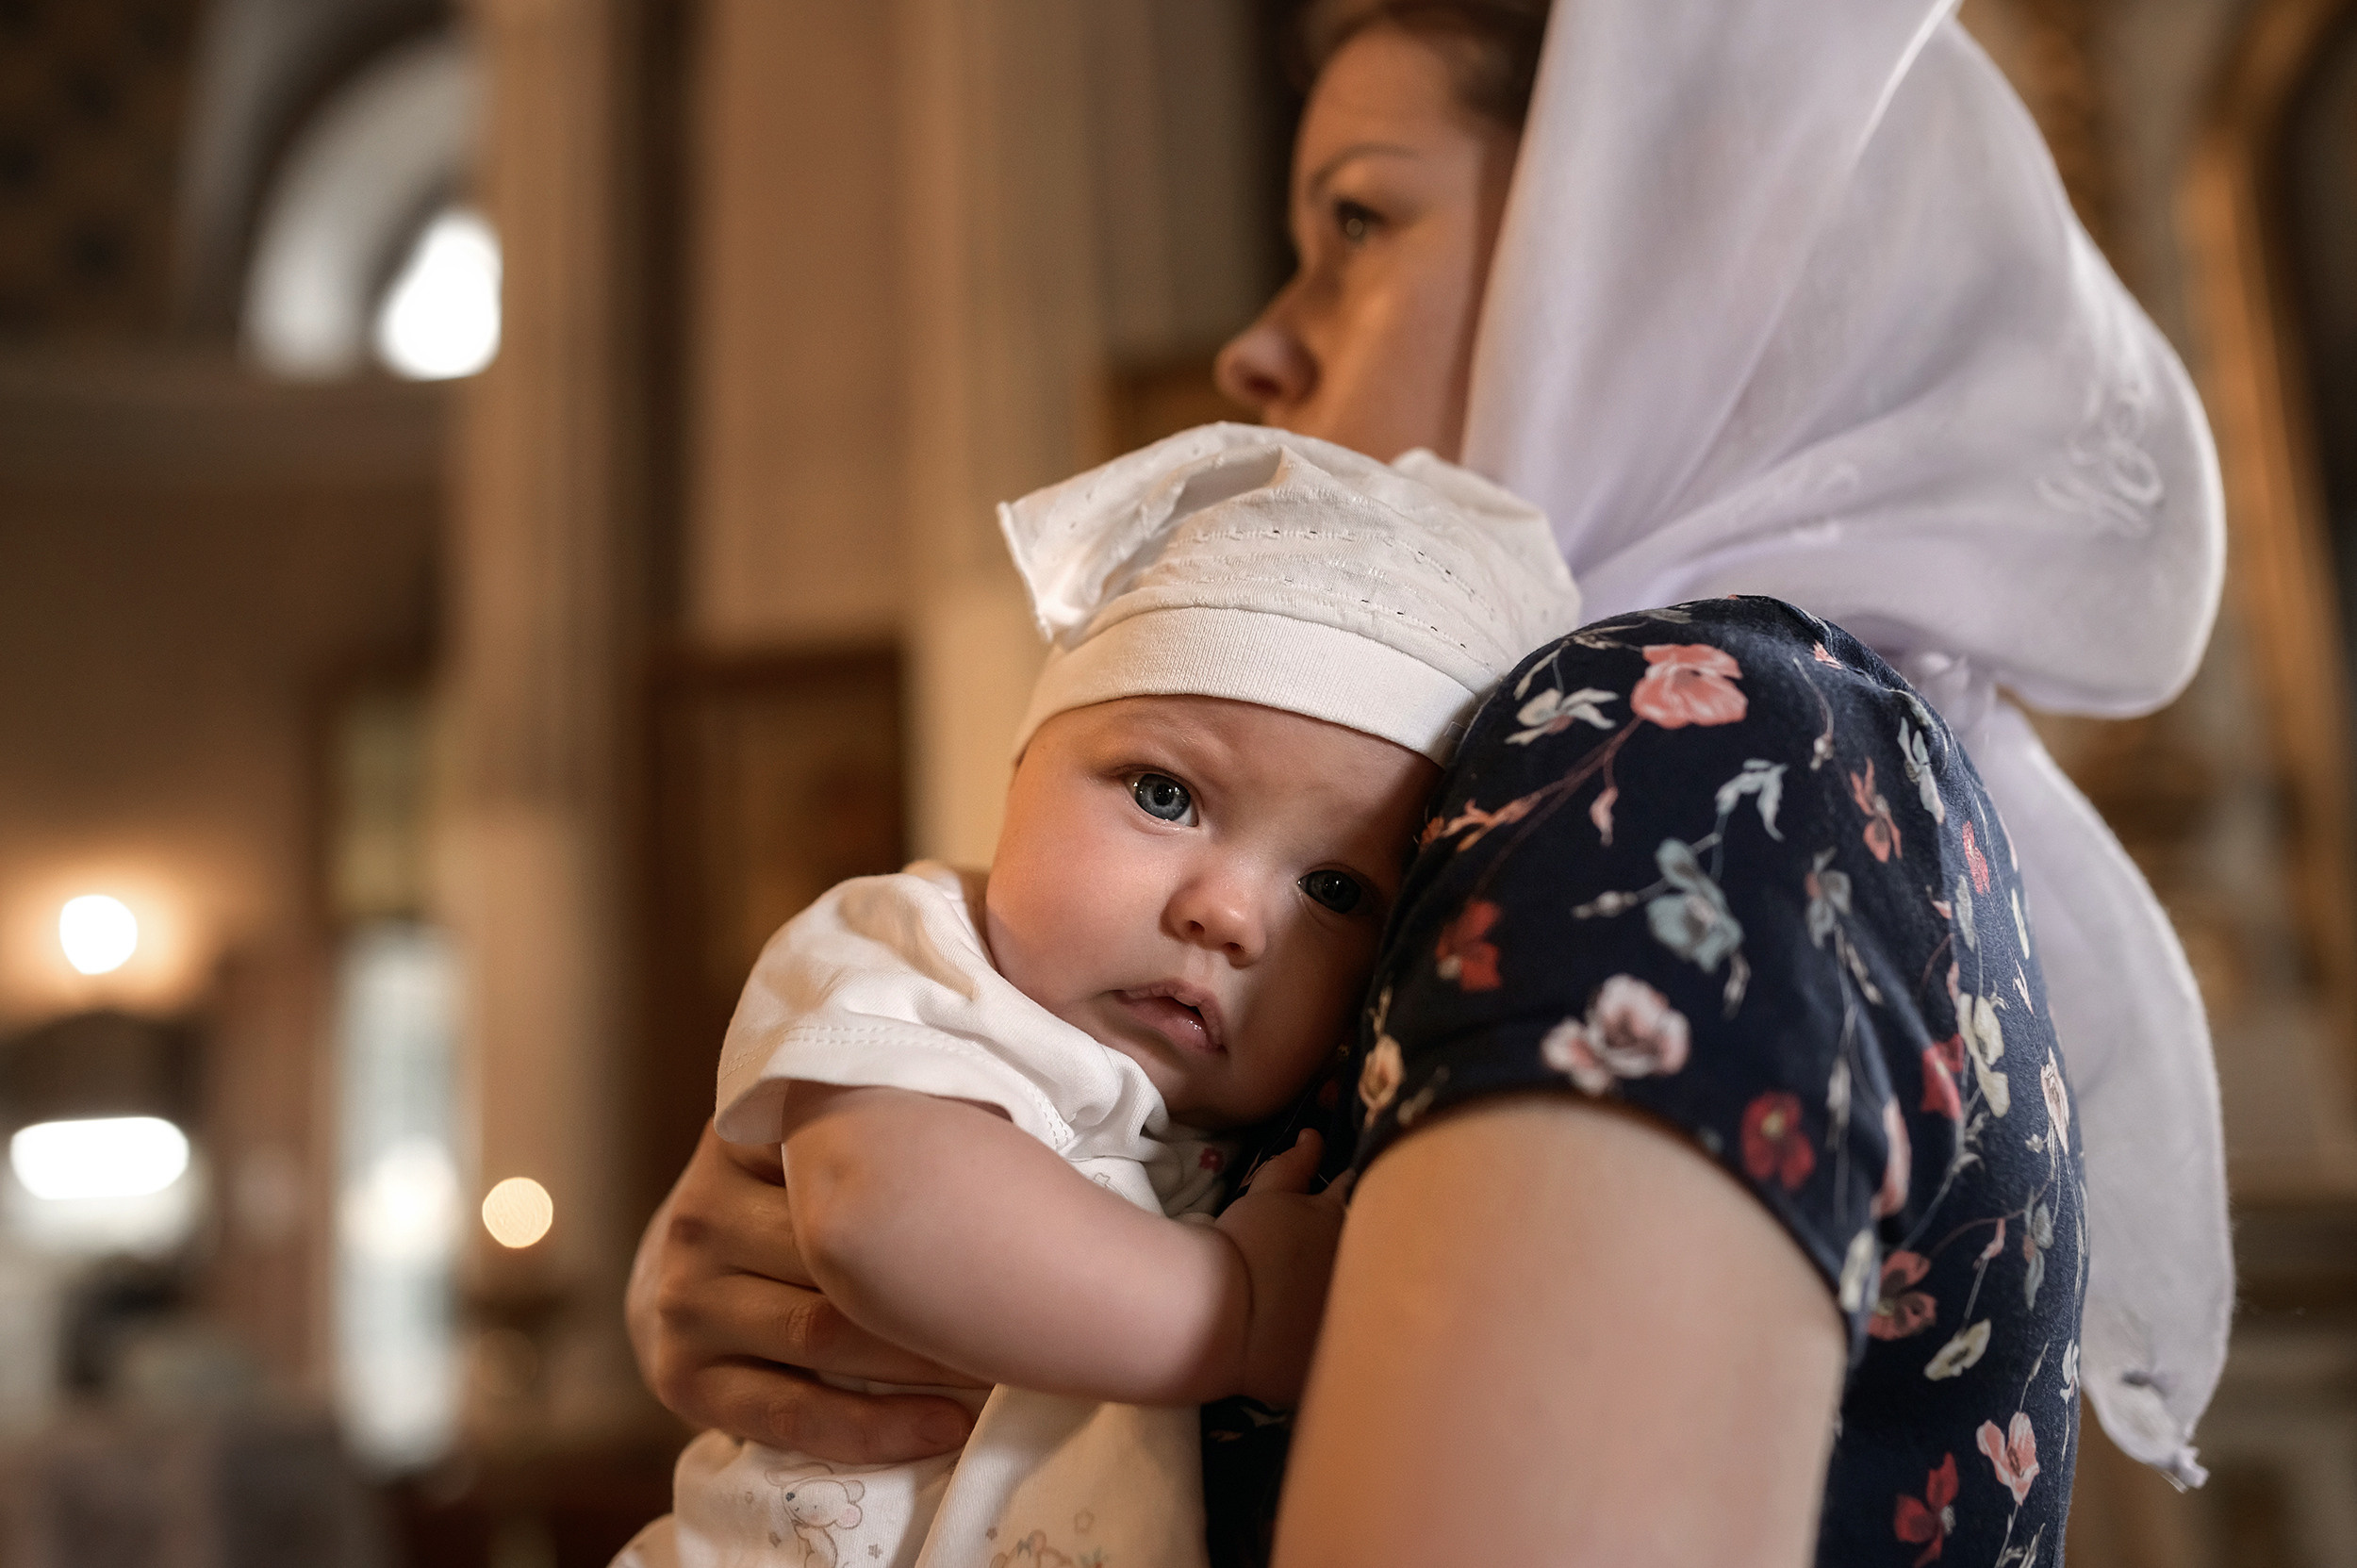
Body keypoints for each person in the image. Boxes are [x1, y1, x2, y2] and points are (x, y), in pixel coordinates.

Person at [629, 0, 2233, 1560]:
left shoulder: (1683, 727)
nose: (1257, 344)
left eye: (1357, 222)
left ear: (1658, 251)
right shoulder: (1747, 748)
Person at [617, 425, 1579, 1568]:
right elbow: (881, 1209)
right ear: (1015, 777)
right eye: (1166, 794)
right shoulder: (916, 957)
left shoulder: (1278, 1117)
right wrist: (1236, 1309)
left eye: (1333, 887)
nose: (1227, 915)